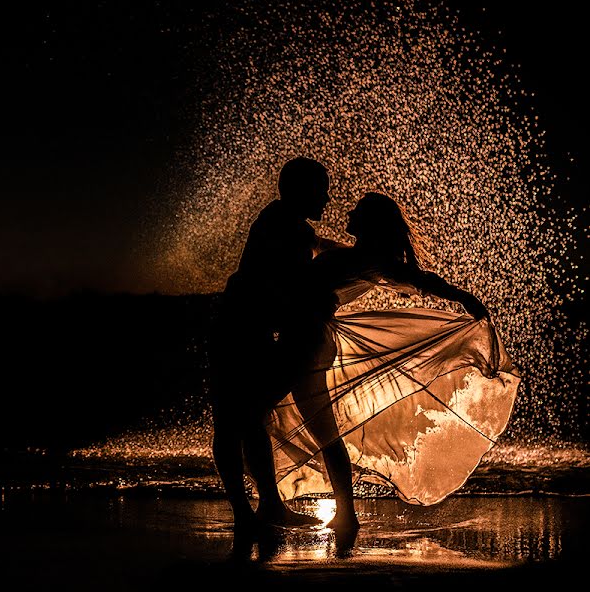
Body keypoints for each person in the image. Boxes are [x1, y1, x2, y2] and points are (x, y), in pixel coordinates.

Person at [267, 192, 520, 533]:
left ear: (370, 222)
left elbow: (422, 280)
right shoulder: (356, 256)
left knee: (257, 415)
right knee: (323, 431)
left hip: (307, 342)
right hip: (310, 339)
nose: (349, 211)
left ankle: (284, 507)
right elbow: (322, 247)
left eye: (358, 210)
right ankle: (344, 513)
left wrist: (463, 297)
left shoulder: (371, 259)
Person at [208, 157, 336, 529]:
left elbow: (319, 246)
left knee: (247, 419)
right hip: (236, 333)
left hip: (247, 331)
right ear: (302, 191)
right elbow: (272, 292)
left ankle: (264, 507)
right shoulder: (282, 227)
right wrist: (311, 306)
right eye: (322, 190)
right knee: (236, 421)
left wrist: (363, 256)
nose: (328, 198)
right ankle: (248, 512)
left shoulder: (286, 221)